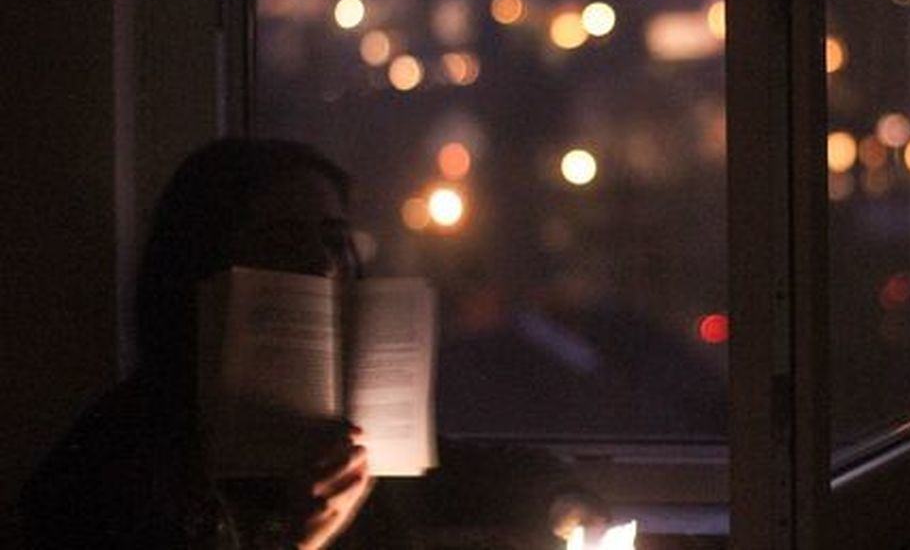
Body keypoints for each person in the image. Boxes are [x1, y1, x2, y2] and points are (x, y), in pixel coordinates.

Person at [20, 138, 605, 548]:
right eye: (282, 238)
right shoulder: (123, 455)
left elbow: (471, 475)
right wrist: (292, 541)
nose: (321, 263)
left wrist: (560, 501)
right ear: (205, 262)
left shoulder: (348, 432)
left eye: (334, 239)